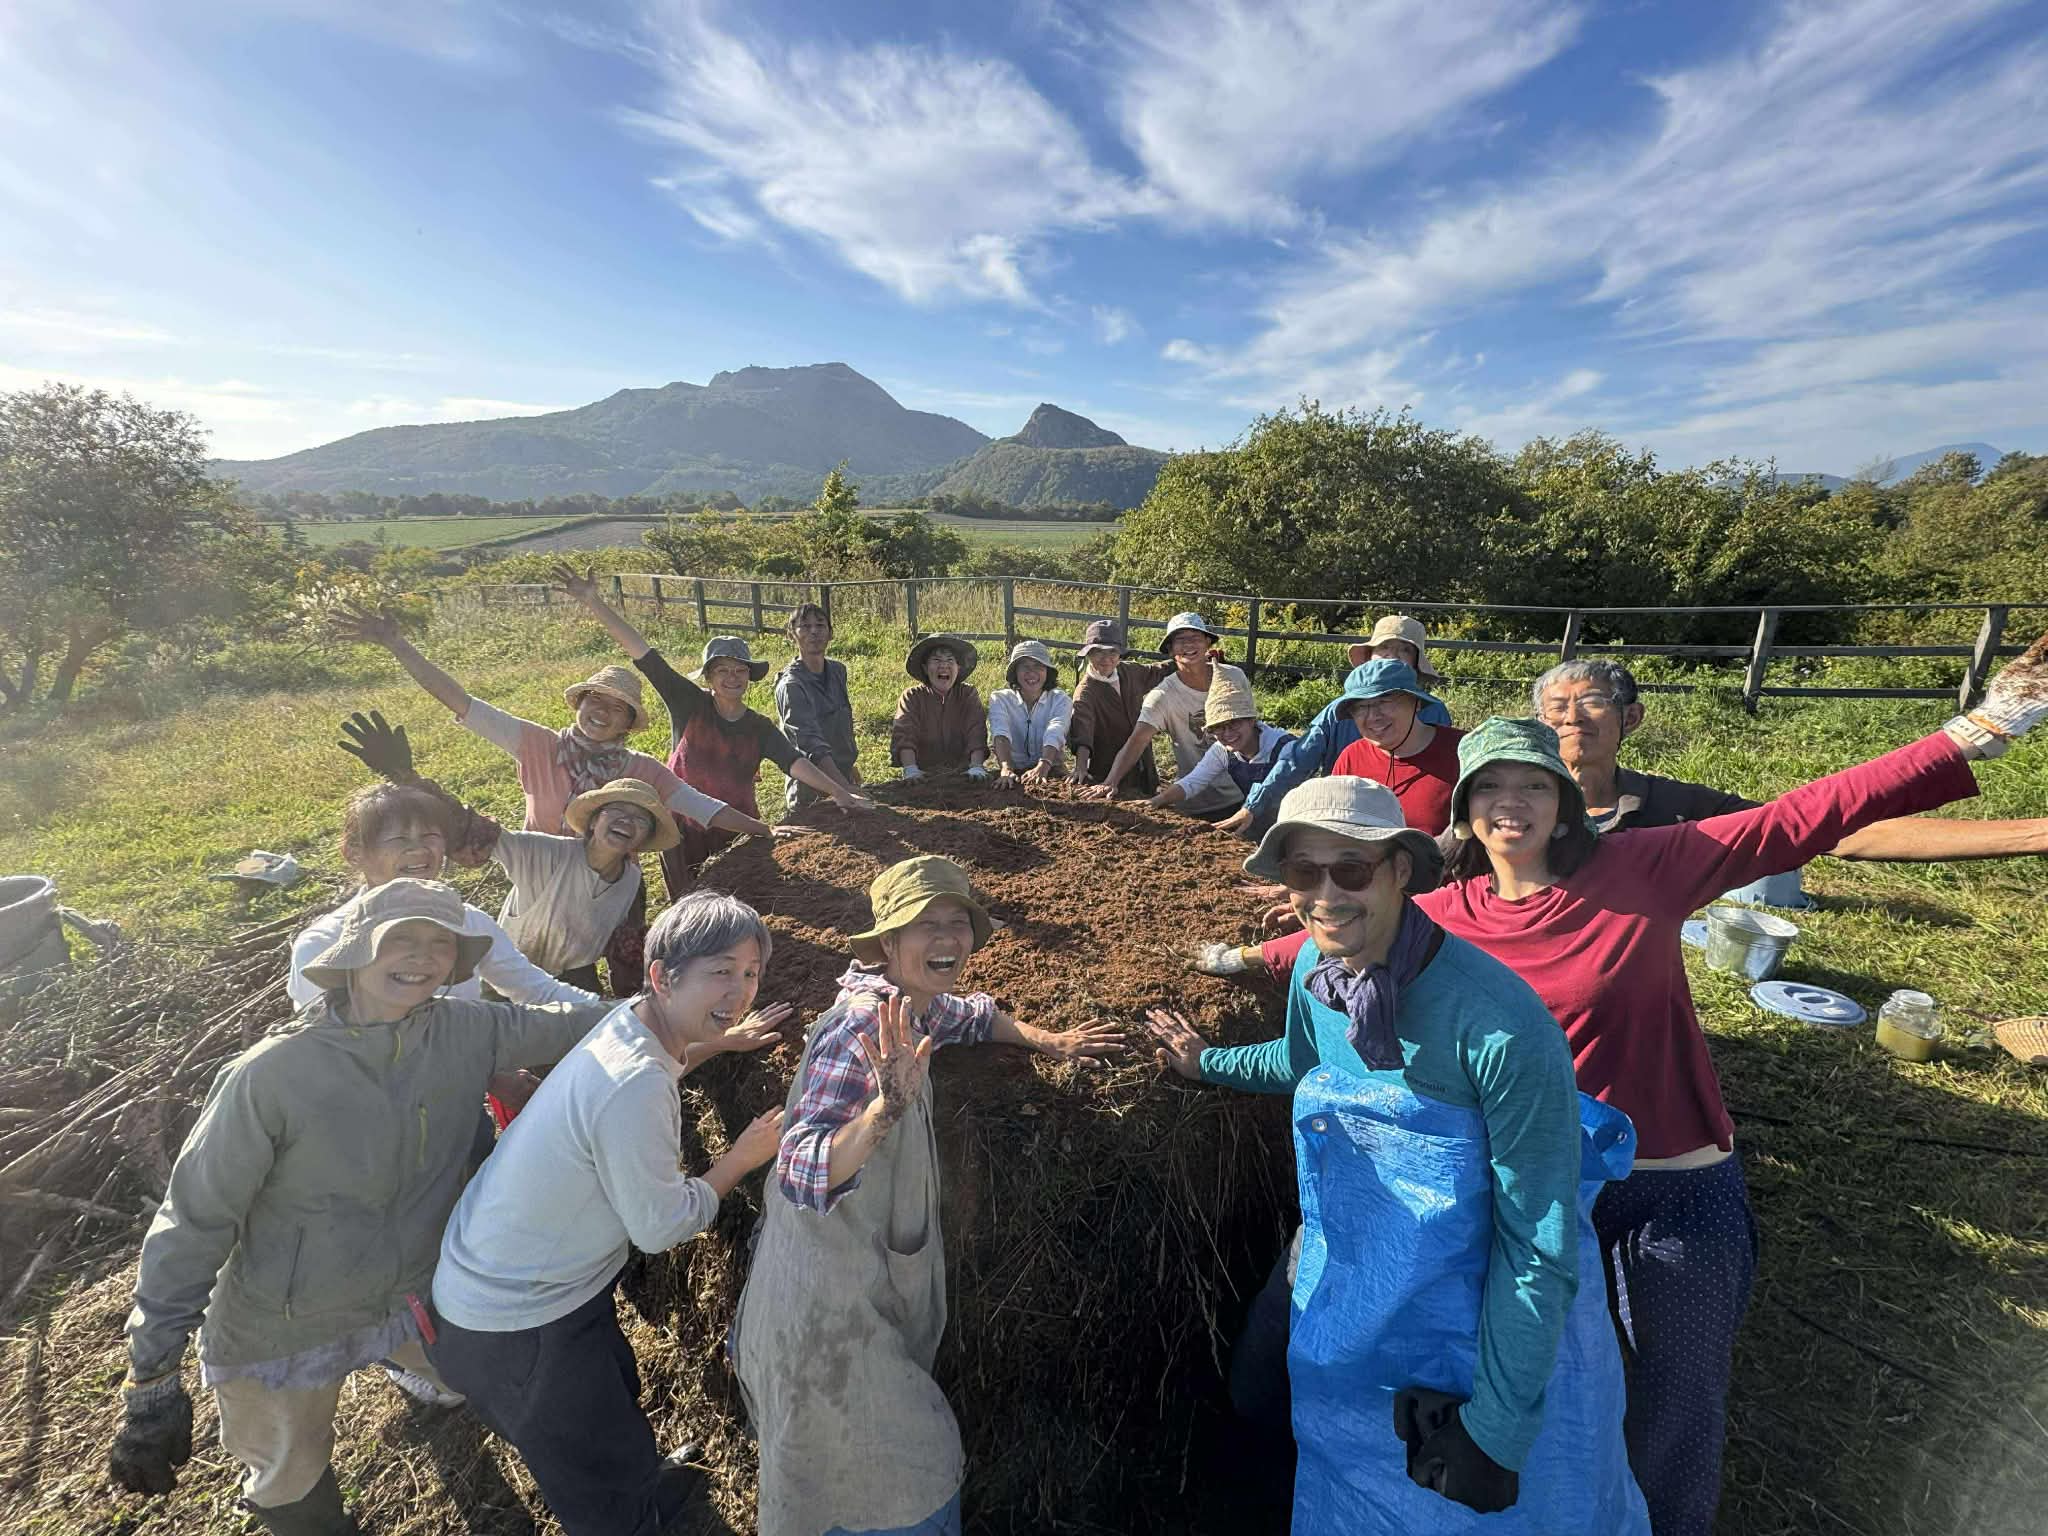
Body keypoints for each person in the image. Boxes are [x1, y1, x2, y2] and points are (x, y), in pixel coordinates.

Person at [1411, 629, 2048, 1536]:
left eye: (1532, 785)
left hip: (1670, 1180)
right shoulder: (1447, 913)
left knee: (1675, 1396)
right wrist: (1237, 953)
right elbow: (1336, 934)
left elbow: (1807, 814)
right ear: (1468, 811)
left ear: (1564, 799)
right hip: (1538, 1187)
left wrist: (1982, 728)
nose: (1513, 804)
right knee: (1542, 1379)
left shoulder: (1650, 862)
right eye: (1492, 791)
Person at [1145, 780, 1647, 1535]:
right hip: (1347, 1266)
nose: (1325, 894)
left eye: (1350, 870)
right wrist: (1207, 1062)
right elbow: (1302, 1062)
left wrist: (1498, 1429)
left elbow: (1536, 1242)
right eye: (1303, 873)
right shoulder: (1321, 981)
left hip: (1463, 1307)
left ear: (1400, 871)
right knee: (1283, 1418)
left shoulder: (1502, 1027)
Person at [111, 880, 613, 1535]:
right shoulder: (273, 1074)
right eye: (399, 939)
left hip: (413, 1295)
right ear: (354, 951)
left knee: (518, 1386)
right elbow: (196, 1220)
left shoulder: (467, 1031)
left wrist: (693, 1002)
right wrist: (152, 1375)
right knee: (289, 1477)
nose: (423, 957)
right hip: (284, 1322)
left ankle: (625, 1493)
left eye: (441, 944)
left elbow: (583, 1020)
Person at [731, 856, 1128, 1536]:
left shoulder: (911, 1005)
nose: (946, 939)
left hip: (854, 1292)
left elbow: (973, 1015)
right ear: (887, 942)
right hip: (820, 1316)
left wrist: (1050, 1040)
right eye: (924, 925)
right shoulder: (858, 1030)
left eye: (958, 924)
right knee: (909, 1487)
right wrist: (881, 1114)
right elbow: (799, 1168)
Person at [428, 893, 790, 1536]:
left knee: (611, 1406)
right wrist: (740, 1157)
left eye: (752, 972)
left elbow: (663, 1064)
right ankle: (629, 1515)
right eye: (722, 972)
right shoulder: (637, 1085)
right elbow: (661, 1227)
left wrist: (719, 1041)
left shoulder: (631, 1021)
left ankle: (642, 1486)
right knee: (590, 1476)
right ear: (661, 977)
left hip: (526, 1284)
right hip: (516, 1323)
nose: (741, 990)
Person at [329, 602, 783, 997]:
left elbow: (699, 803)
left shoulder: (640, 769)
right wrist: (397, 645)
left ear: (628, 722)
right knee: (525, 969)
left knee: (625, 963)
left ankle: (635, 1023)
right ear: (580, 703)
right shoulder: (539, 746)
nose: (601, 712)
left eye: (616, 708)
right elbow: (462, 702)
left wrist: (764, 829)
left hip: (610, 879)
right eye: (594, 701)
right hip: (542, 877)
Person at [1535, 657, 2048, 864]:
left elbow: (1834, 828)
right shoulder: (1498, 802)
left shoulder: (1671, 807)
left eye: (1594, 701)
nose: (1572, 717)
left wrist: (2033, 835)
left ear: (1632, 718)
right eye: (1556, 708)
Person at [555, 566, 871, 886]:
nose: (732, 678)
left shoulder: (758, 727)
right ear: (708, 677)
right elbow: (643, 653)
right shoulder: (688, 703)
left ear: (749, 676)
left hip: (738, 828)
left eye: (740, 671)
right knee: (688, 901)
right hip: (684, 830)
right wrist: (593, 601)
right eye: (723, 670)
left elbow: (794, 761)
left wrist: (838, 791)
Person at [1193, 657, 1461, 979]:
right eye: (1360, 708)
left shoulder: (1461, 754)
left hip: (1438, 902)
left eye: (1385, 701)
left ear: (1415, 701)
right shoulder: (1353, 756)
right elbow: (1332, 839)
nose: (1372, 716)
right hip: (1363, 890)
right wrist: (1316, 892)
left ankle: (1244, 958)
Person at [1220, 613, 1453, 837]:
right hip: (1348, 817)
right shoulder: (1343, 734)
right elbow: (1297, 759)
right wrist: (1254, 805)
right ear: (1370, 655)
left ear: (1416, 663)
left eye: (1405, 650)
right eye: (1385, 647)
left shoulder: (1436, 715)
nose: (1393, 655)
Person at [1082, 613, 1240, 816]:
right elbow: (1137, 740)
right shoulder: (1162, 696)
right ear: (1170, 649)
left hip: (1243, 791)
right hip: (1197, 801)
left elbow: (1251, 731)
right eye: (1180, 640)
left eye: (1195, 638)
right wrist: (1110, 781)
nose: (1188, 645)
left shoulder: (1232, 677)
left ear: (1208, 642)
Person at [1148, 661, 1295, 817]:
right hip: (1253, 815)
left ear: (1251, 720)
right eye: (1218, 727)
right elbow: (1192, 782)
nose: (1227, 734)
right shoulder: (1222, 751)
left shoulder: (1284, 746)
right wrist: (1158, 800)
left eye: (1234, 724)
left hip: (1292, 817)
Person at [774, 602, 863, 811]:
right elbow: (810, 745)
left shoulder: (837, 671)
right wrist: (842, 788)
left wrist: (848, 771)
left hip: (843, 776)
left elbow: (841, 723)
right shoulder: (791, 686)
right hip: (810, 791)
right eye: (804, 626)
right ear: (791, 634)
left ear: (831, 633)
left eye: (820, 625)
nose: (814, 631)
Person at [1067, 619, 1170, 794]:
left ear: (1120, 654)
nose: (1106, 659)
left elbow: (1159, 671)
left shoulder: (1130, 672)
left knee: (1148, 795)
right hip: (1107, 766)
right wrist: (1081, 767)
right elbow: (1082, 733)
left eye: (1113, 652)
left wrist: (1194, 660)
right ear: (1089, 654)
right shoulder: (1085, 693)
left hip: (1142, 759)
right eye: (1098, 652)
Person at [891, 634, 990, 779]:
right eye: (936, 660)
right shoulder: (912, 696)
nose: (944, 666)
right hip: (923, 772)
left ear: (958, 667)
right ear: (925, 668)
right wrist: (911, 769)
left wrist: (976, 766)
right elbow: (905, 733)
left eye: (950, 660)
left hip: (963, 772)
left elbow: (976, 732)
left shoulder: (967, 694)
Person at [987, 639, 1072, 785]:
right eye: (1024, 667)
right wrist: (1006, 768)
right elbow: (1000, 731)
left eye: (1038, 666)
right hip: (1013, 769)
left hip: (1051, 768)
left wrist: (1044, 764)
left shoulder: (1060, 699)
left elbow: (1056, 730)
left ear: (1047, 671)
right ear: (1015, 672)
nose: (1031, 673)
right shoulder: (1000, 699)